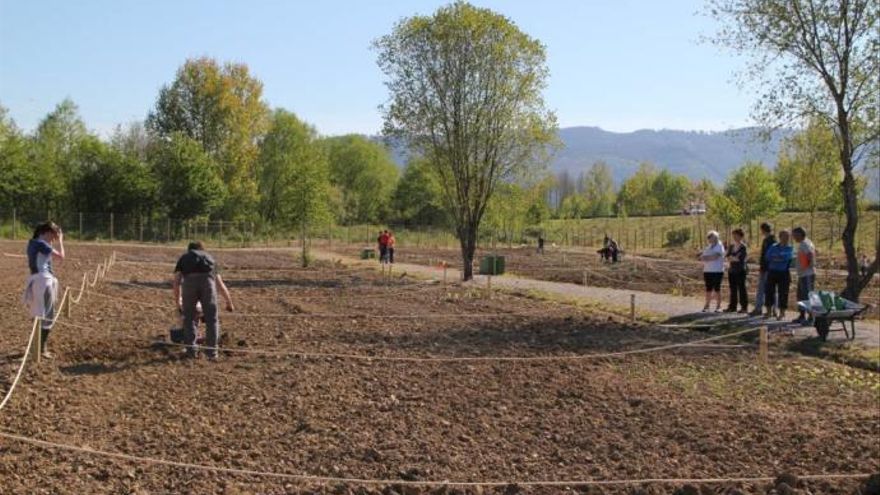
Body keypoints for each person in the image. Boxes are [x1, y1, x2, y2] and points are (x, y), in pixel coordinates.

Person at [172, 241, 235, 360]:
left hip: (189, 284)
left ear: (189, 250)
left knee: (189, 318)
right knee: (212, 319)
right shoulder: (210, 258)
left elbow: (176, 282)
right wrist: (229, 302)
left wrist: (178, 302)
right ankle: (212, 353)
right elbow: (220, 284)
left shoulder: (184, 258)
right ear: (202, 249)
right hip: (208, 284)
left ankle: (191, 351)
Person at [22, 222, 65, 359]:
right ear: (47, 232)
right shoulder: (42, 244)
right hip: (44, 281)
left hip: (36, 280)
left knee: (38, 315)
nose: (54, 240)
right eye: (54, 236)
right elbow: (61, 257)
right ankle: (41, 349)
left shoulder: (33, 243)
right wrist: (61, 243)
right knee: (48, 316)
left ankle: (36, 347)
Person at [764, 230, 794, 321]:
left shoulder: (790, 248)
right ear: (780, 237)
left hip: (783, 272)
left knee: (783, 293)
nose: (786, 239)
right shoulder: (773, 247)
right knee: (769, 292)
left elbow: (787, 258)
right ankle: (769, 312)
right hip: (772, 271)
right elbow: (768, 257)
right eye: (784, 237)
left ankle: (782, 313)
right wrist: (780, 257)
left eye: (788, 237)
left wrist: (777, 257)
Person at [749, 222, 777, 316]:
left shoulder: (768, 241)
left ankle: (758, 308)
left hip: (767, 268)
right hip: (771, 268)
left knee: (762, 289)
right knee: (772, 289)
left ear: (763, 230)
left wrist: (762, 267)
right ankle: (774, 309)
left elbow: (765, 256)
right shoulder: (773, 240)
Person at [792, 227, 816, 325]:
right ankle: (802, 316)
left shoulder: (806, 244)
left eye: (795, 235)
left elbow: (810, 255)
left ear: (800, 234)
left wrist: (807, 267)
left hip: (807, 274)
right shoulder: (803, 243)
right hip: (803, 274)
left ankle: (811, 318)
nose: (794, 237)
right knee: (801, 296)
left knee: (808, 296)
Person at [698, 231, 726, 312]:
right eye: (709, 237)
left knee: (717, 288)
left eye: (711, 237)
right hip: (707, 270)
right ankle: (707, 306)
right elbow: (702, 257)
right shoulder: (709, 246)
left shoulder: (719, 246)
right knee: (708, 288)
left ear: (715, 237)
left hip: (717, 270)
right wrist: (704, 257)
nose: (709, 238)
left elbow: (715, 257)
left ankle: (718, 306)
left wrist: (705, 257)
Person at [725, 228, 748, 313]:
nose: (734, 237)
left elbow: (740, 259)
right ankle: (732, 306)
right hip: (732, 270)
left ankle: (744, 307)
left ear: (741, 236)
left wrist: (733, 258)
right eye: (733, 235)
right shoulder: (731, 246)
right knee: (733, 289)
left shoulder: (743, 247)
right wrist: (733, 258)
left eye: (736, 235)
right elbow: (727, 256)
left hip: (740, 270)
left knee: (742, 289)